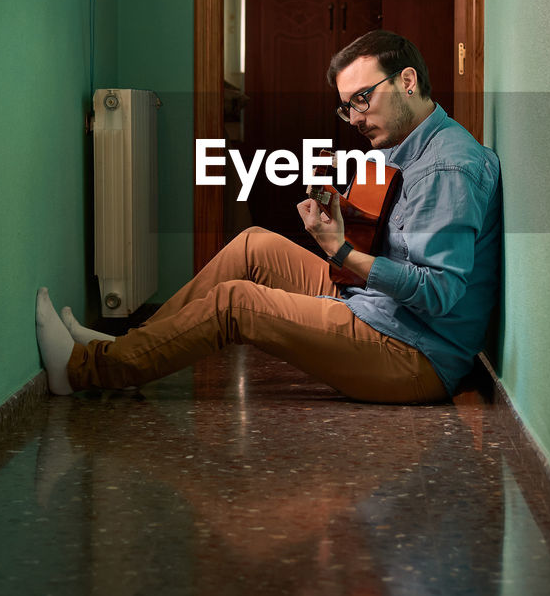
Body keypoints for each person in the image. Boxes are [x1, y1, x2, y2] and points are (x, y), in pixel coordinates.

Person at [36, 30, 501, 404]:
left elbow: (438, 294)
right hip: (381, 308)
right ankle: (128, 350)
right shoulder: (411, 144)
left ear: (407, 80)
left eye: (363, 98)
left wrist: (338, 249)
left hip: (412, 353)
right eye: (347, 106)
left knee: (236, 304)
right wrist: (343, 215)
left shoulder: (446, 168)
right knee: (252, 243)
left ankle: (84, 371)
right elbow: (395, 238)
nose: (355, 117)